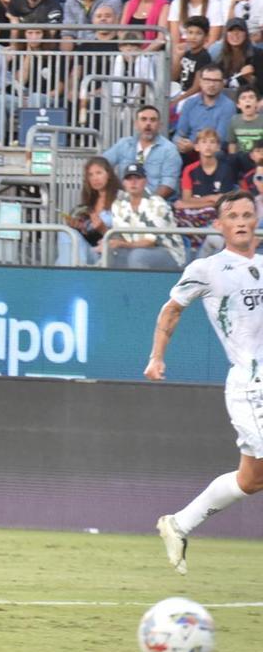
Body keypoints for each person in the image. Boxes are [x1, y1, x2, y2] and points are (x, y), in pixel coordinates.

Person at [148, 191, 263, 576]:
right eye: (233, 216)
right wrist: (157, 357)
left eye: (249, 213)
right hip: (251, 383)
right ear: (220, 225)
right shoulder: (208, 269)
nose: (242, 221)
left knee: (251, 479)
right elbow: (172, 309)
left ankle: (179, 524)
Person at [110, 162, 184, 270]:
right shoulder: (118, 205)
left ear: (145, 181)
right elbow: (118, 235)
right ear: (124, 183)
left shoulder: (158, 203)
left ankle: (138, 287)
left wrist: (121, 244)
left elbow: (151, 242)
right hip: (132, 249)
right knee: (107, 253)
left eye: (137, 178)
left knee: (137, 256)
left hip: (168, 252)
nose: (133, 182)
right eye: (129, 178)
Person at [57, 155, 116, 266]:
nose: (95, 178)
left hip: (108, 252)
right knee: (65, 233)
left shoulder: (120, 200)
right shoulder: (89, 203)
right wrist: (80, 228)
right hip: (88, 250)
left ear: (109, 174)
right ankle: (69, 272)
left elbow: (123, 236)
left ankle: (74, 272)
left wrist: (103, 229)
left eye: (99, 173)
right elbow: (88, 236)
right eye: (91, 175)